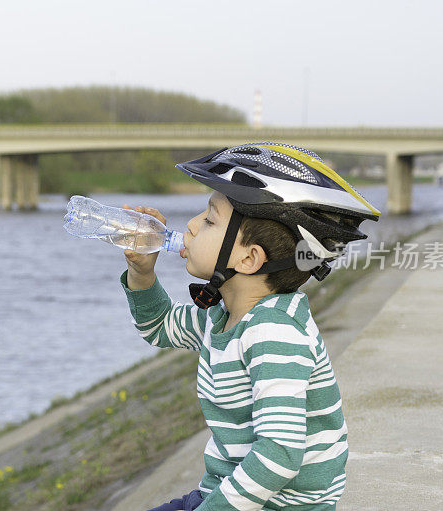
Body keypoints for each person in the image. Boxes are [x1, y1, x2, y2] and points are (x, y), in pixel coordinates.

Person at [119, 142, 381, 511]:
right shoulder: (224, 316)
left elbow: (279, 455)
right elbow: (159, 326)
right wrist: (141, 271)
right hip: (226, 494)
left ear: (248, 258)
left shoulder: (274, 332)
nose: (191, 226)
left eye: (209, 220)